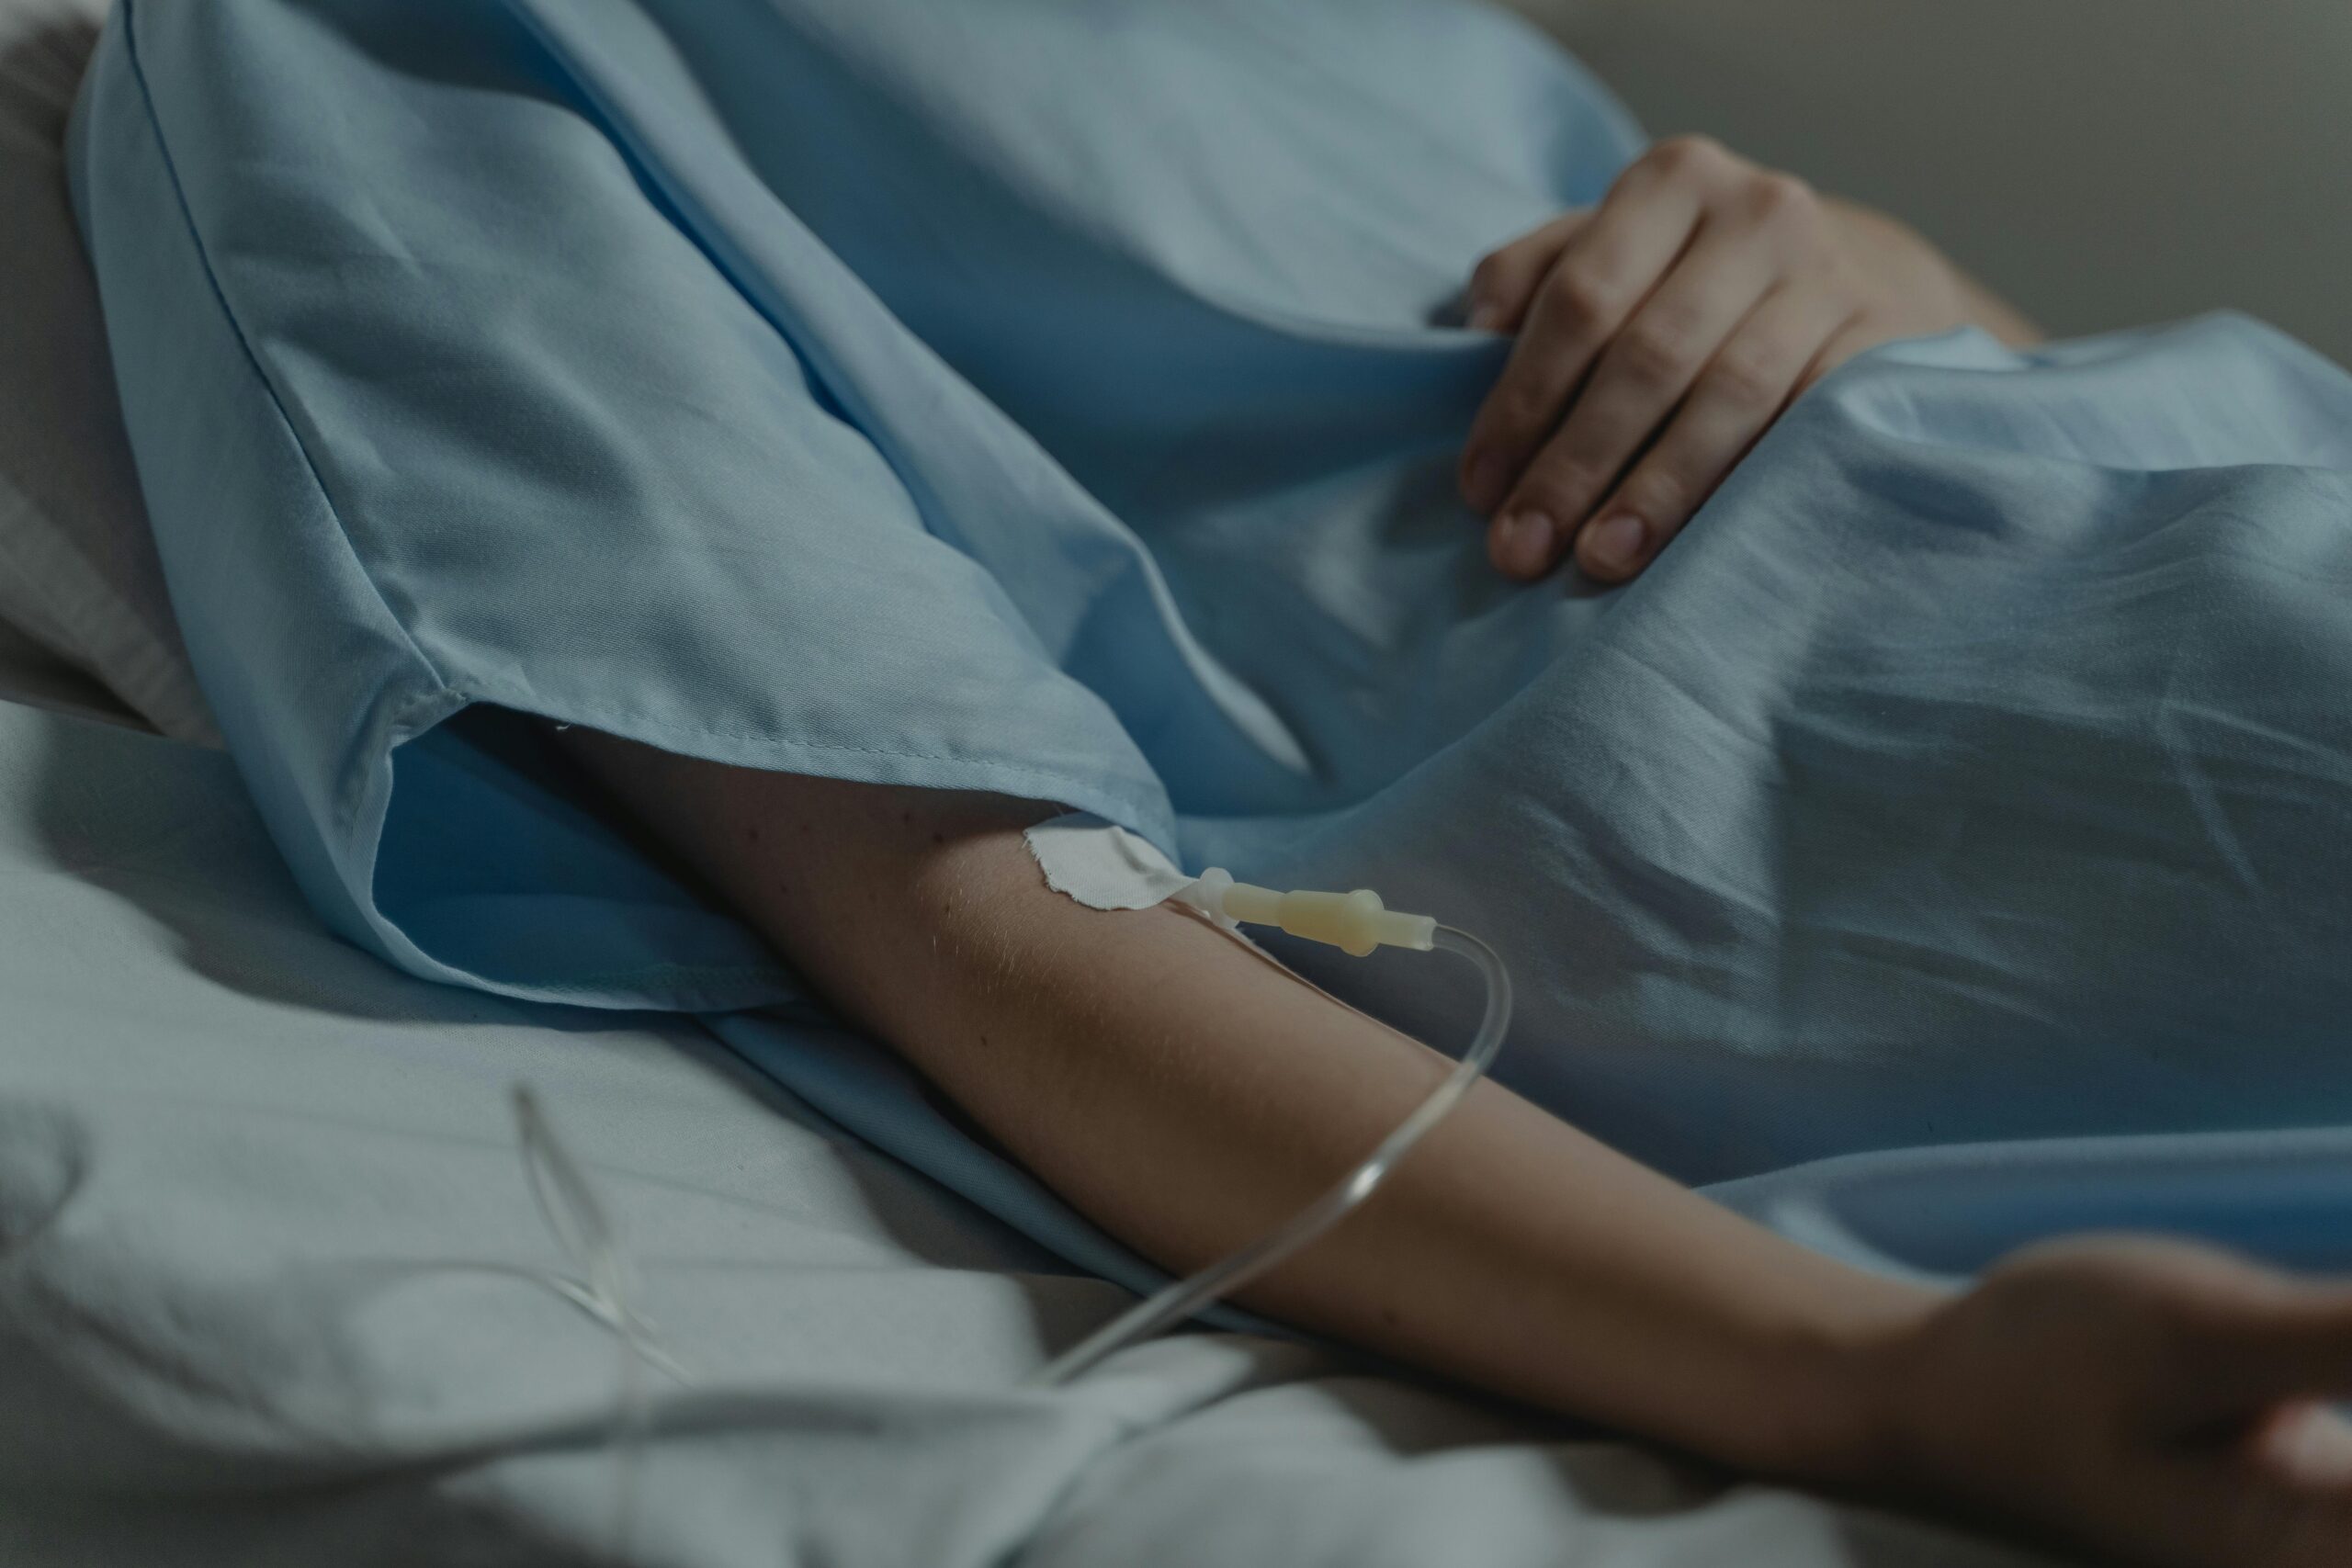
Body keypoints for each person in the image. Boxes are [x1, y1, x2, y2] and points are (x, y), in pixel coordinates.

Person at [72, 3, 2352, 1562]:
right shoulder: (359, 57)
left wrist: (1865, 260)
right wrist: (1875, 1386)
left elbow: (2031, 403)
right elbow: (965, 897)